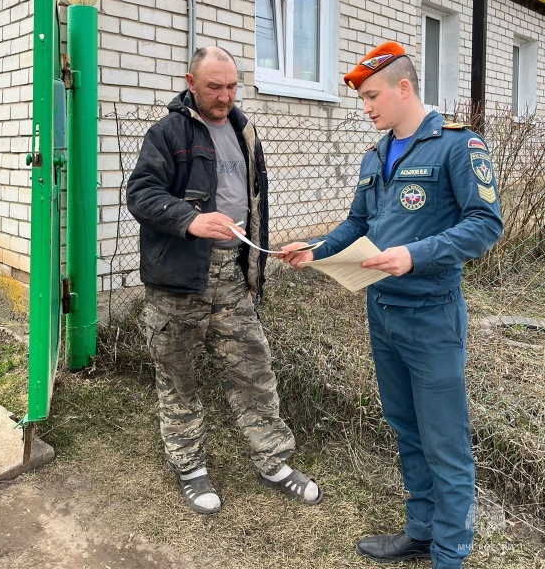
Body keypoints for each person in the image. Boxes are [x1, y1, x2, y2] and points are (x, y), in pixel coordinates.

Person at [280, 41, 502, 568]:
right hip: (381, 312)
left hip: (431, 314)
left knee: (445, 442)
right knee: (406, 428)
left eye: (372, 96)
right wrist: (317, 248)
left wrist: (414, 255)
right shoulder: (376, 154)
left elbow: (486, 223)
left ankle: (450, 554)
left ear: (405, 89)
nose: (366, 108)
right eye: (361, 99)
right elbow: (360, 223)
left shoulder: (457, 146)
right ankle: (421, 532)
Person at [126, 45, 322, 514]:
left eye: (232, 86)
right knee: (179, 378)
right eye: (214, 86)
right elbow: (140, 193)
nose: (224, 96)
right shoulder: (167, 133)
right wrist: (189, 220)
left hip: (232, 276)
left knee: (254, 368)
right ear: (190, 83)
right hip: (178, 280)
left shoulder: (244, 131)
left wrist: (253, 272)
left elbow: (255, 204)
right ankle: (191, 467)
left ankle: (273, 462)